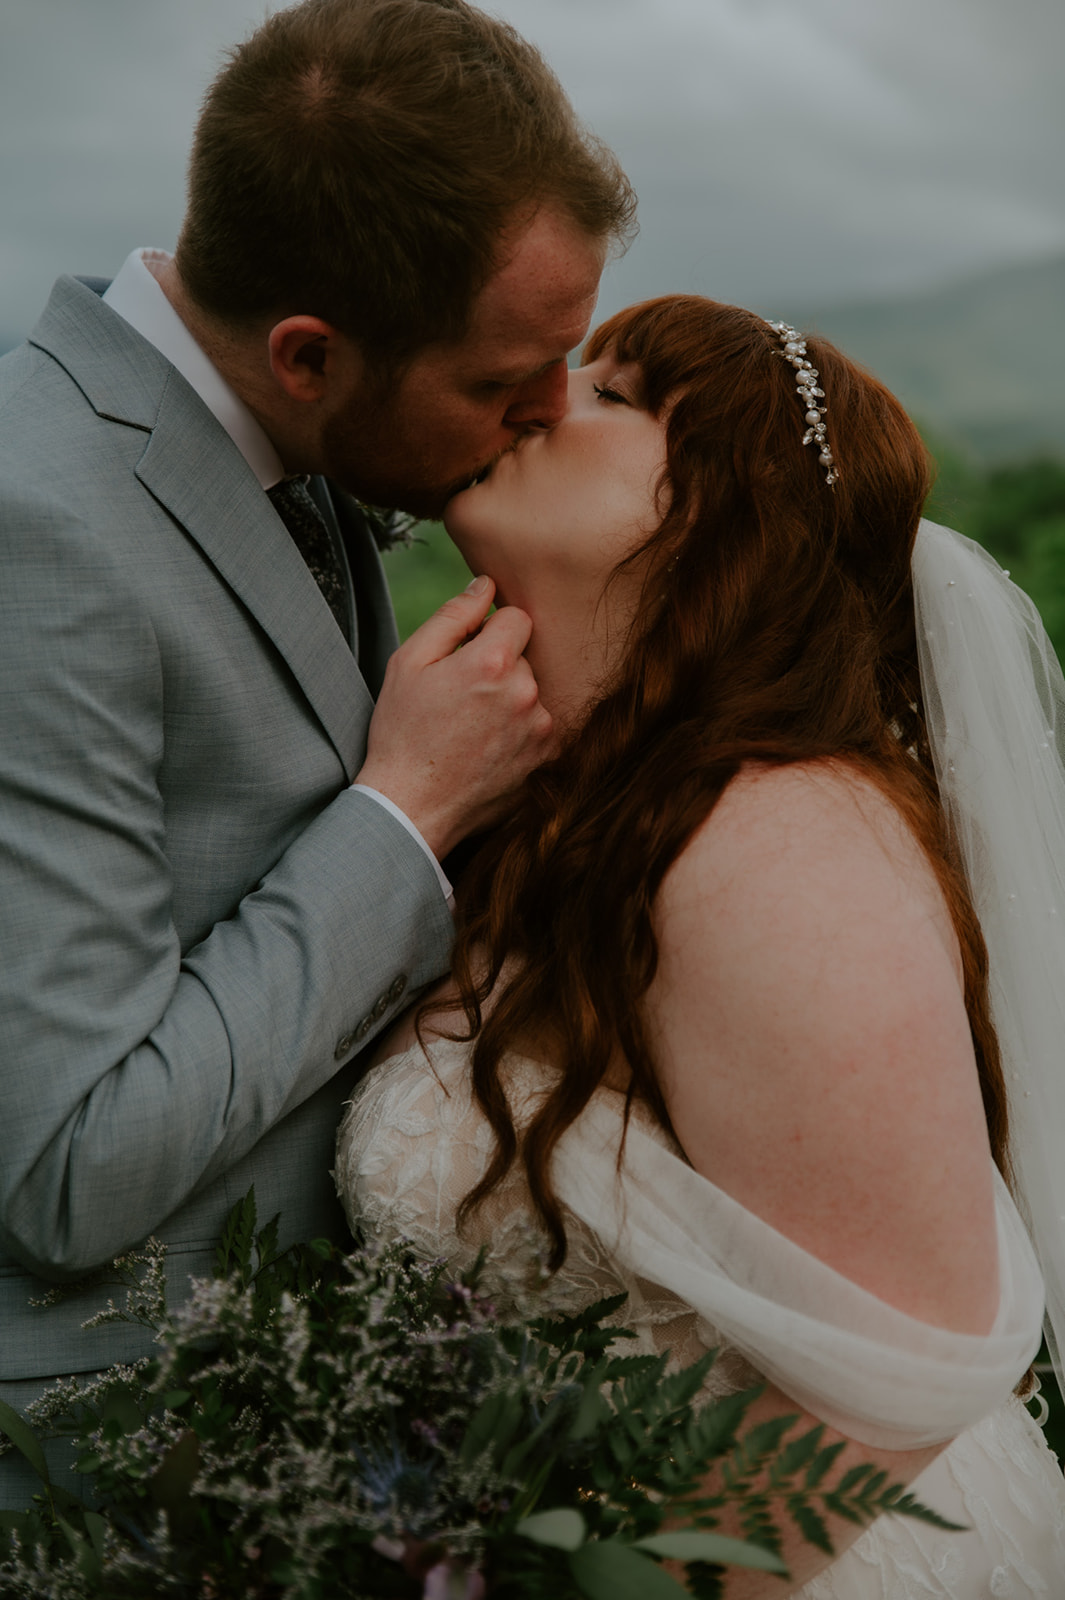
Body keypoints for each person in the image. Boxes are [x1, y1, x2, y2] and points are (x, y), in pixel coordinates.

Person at [0, 0, 635, 1506]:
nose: (548, 415)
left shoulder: (281, 452)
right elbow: (63, 1167)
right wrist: (404, 811)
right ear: (307, 352)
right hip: (116, 1479)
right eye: (501, 385)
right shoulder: (43, 537)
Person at [337, 295, 1065, 1595]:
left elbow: (909, 1363)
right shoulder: (555, 809)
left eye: (615, 395)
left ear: (716, 516)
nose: (553, 396)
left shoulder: (776, 839)